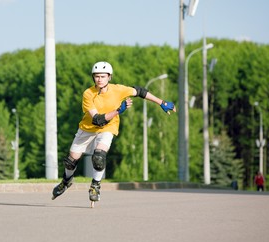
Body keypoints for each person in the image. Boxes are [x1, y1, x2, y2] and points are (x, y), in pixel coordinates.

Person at [51, 61, 176, 205]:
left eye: (103, 76)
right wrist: (118, 111)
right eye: (97, 76)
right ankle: (66, 182)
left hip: (108, 128)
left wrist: (161, 102)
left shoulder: (118, 90)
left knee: (99, 157)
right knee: (70, 162)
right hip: (87, 127)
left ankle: (95, 186)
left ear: (109, 77)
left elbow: (140, 92)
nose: (99, 79)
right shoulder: (88, 93)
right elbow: (97, 120)